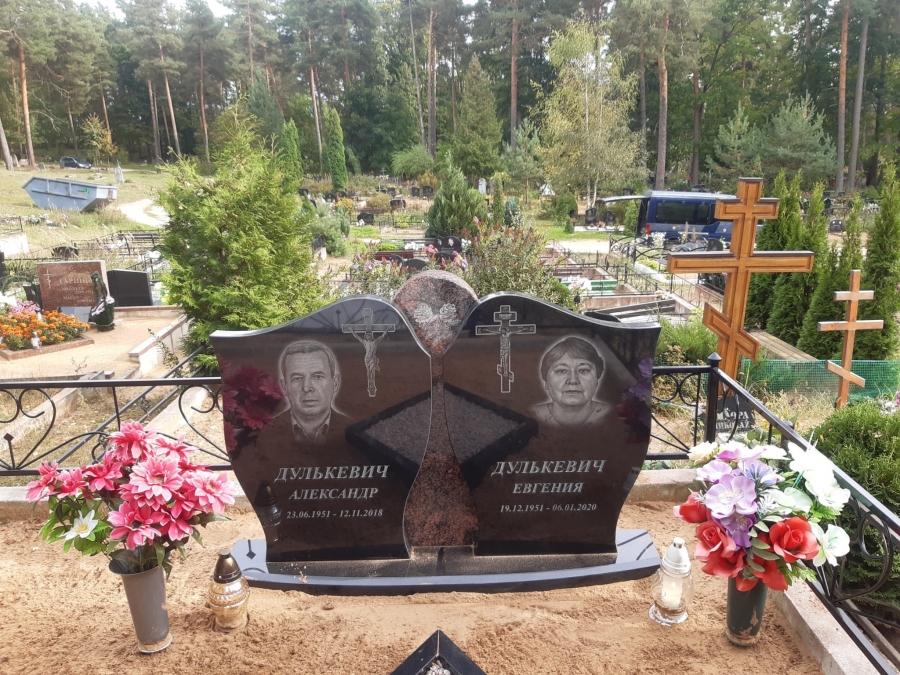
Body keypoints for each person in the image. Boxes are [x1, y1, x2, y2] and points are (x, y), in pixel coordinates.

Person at [275, 340, 349, 445]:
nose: (307, 387)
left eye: (318, 377)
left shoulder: (355, 429)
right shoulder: (263, 433)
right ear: (285, 387)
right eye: (297, 378)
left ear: (335, 383)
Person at [530, 336, 611, 428]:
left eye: (583, 370)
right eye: (561, 371)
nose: (573, 380)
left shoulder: (612, 414)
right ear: (546, 381)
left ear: (597, 378)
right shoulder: (532, 415)